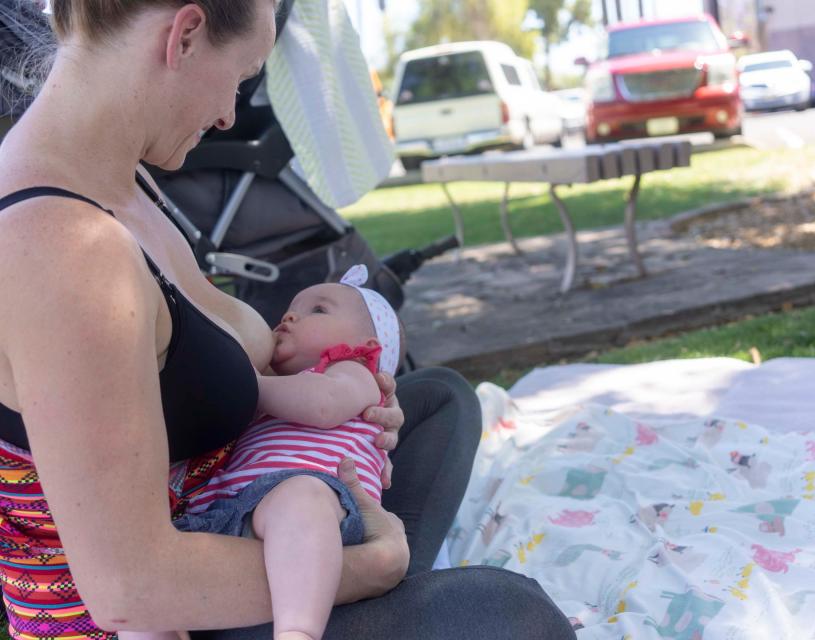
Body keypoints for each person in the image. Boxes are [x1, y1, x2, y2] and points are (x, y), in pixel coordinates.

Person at [0, 1, 575, 639]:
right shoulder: (59, 246)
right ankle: (351, 582)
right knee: (508, 614)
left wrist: (336, 416)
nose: (227, 113)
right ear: (185, 36)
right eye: (241, 78)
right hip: (170, 610)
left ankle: (339, 564)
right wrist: (372, 565)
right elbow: (133, 592)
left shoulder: (124, 178)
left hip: (238, 510)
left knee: (440, 399)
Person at [123, 264, 404, 640]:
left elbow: (324, 406)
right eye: (292, 307)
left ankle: (297, 631)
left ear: (369, 346)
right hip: (225, 516)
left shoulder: (353, 372)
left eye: (318, 310)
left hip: (315, 512)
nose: (290, 315)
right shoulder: (277, 386)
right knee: (144, 596)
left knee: (300, 497)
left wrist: (248, 383)